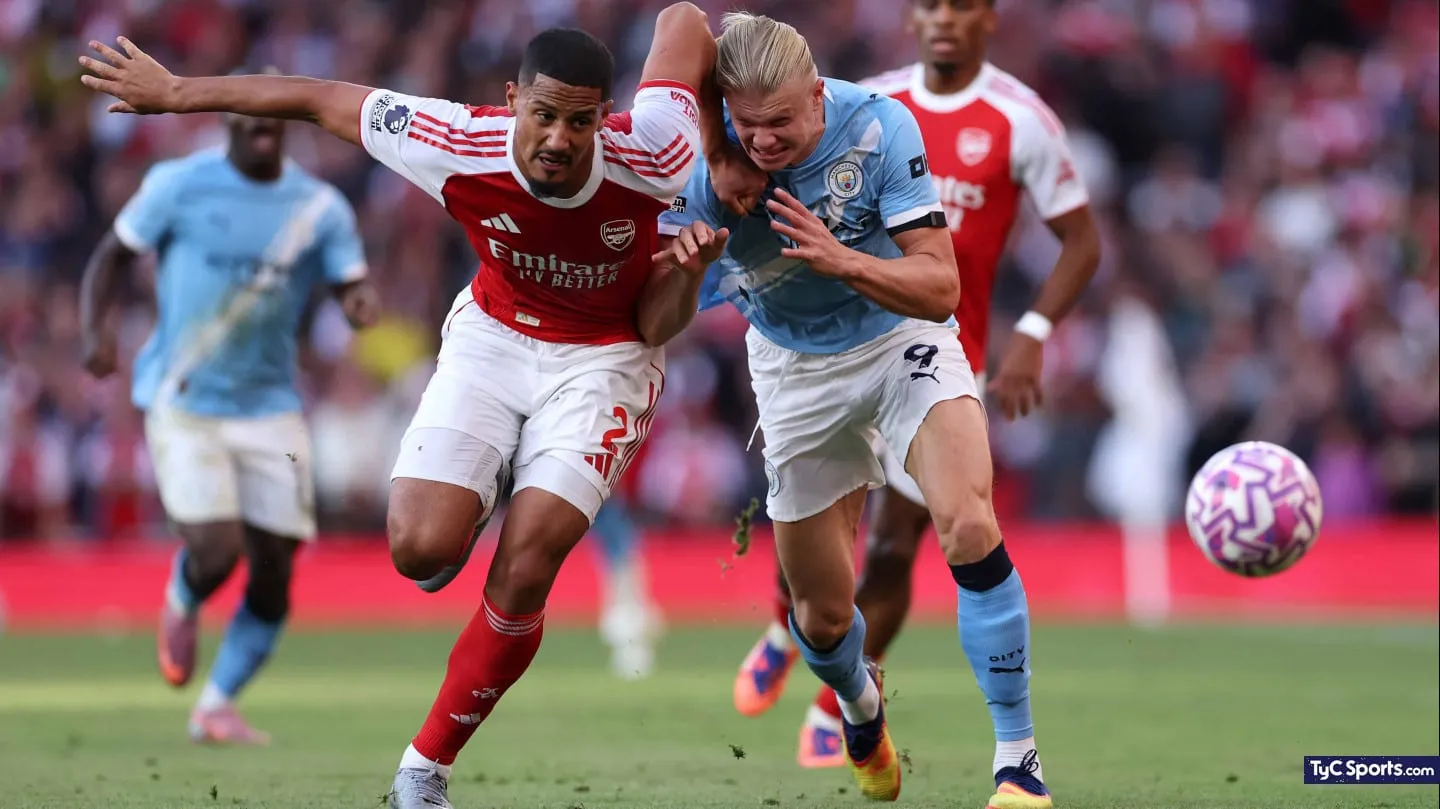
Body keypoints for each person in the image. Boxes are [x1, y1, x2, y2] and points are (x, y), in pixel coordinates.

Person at [80, 5, 718, 806]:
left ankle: (423, 768)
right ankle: (482, 489)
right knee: (419, 550)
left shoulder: (658, 150)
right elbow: (318, 97)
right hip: (493, 338)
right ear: (512, 99)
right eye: (544, 115)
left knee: (527, 562)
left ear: (605, 117)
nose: (559, 137)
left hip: (604, 360)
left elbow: (685, 21)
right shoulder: (456, 139)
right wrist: (177, 92)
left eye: (580, 122)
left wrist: (722, 160)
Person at [730, 0, 1101, 802]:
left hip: (916, 336)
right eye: (929, 5)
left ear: (988, 18)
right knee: (825, 604)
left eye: (960, 6)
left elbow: (1078, 239)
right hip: (797, 366)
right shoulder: (840, 101)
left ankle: (1019, 762)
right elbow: (690, 40)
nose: (943, 20)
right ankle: (831, 674)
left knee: (950, 527)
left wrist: (1034, 330)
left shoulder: (1007, 119)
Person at [77, 70, 380, 746]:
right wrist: (96, 332)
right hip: (186, 396)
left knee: (276, 565)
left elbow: (350, 279)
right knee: (216, 549)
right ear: (229, 119)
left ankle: (216, 705)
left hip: (272, 405)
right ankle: (183, 597)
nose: (262, 124)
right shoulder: (179, 184)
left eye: (273, 114)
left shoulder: (320, 207)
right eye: (250, 113)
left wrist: (358, 303)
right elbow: (111, 256)